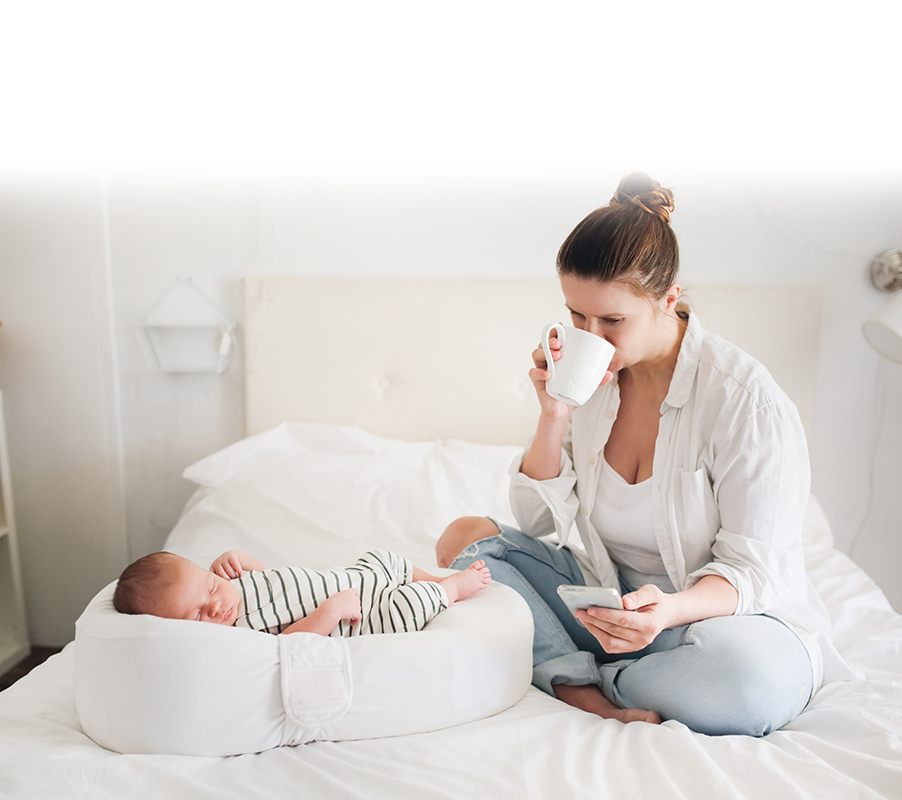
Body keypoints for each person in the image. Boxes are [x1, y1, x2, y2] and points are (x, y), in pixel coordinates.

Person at [435, 171, 843, 736]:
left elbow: (753, 571)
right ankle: (583, 684)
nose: (590, 336)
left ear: (668, 300)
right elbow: (534, 520)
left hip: (718, 623)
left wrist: (668, 613)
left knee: (747, 688)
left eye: (611, 320)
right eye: (577, 316)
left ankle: (574, 669)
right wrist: (555, 413)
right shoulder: (595, 383)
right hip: (611, 607)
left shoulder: (745, 402)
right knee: (466, 542)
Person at [113, 547, 491, 636]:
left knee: (385, 556)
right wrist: (329, 613)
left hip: (352, 579)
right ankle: (450, 590)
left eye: (210, 587)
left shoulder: (231, 587)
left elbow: (274, 581)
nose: (215, 606)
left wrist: (241, 560)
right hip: (359, 616)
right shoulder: (240, 634)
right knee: (405, 609)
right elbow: (289, 644)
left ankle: (431, 579)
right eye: (196, 615)